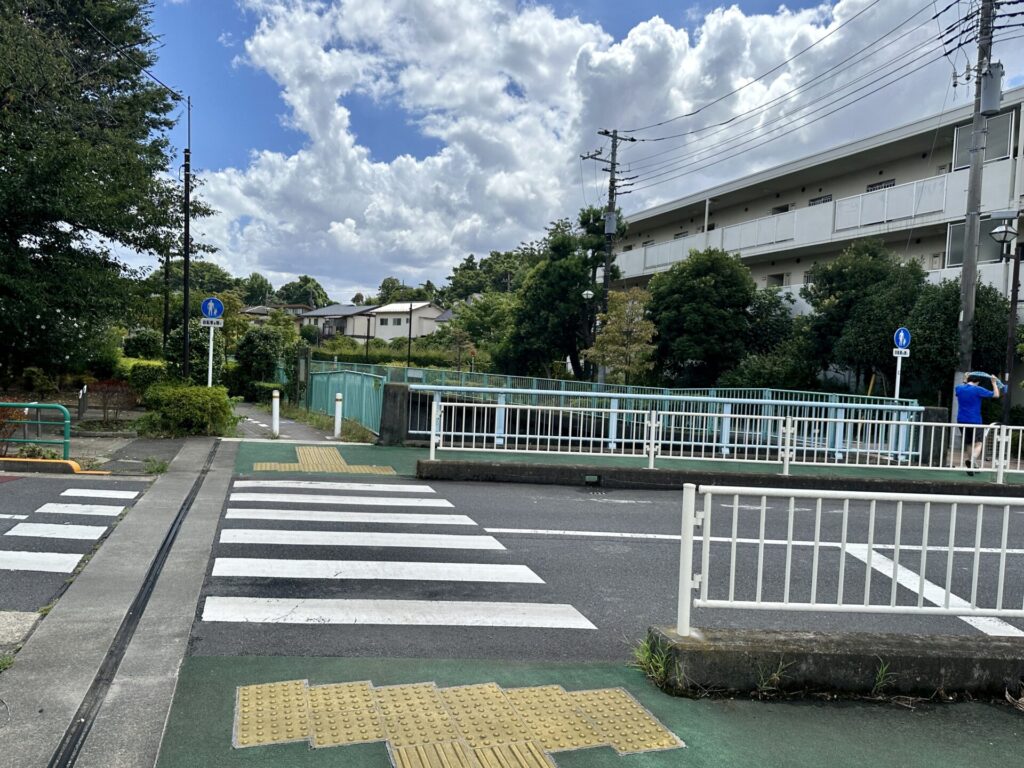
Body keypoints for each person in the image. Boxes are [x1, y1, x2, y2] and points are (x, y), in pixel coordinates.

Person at [954, 372, 1000, 474]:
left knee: (969, 443)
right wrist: (994, 383)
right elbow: (996, 395)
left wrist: (965, 379)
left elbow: (963, 386)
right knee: (978, 443)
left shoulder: (959, 388)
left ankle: (973, 466)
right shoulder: (978, 389)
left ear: (968, 379)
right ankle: (972, 461)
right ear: (978, 382)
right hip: (974, 420)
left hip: (961, 419)